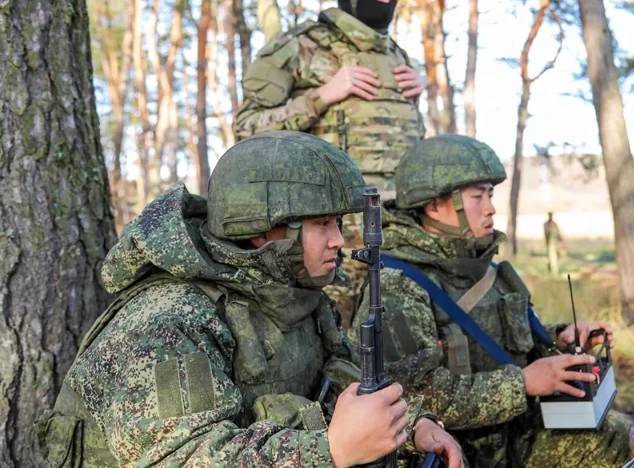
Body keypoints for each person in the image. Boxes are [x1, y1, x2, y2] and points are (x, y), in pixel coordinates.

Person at [35, 132, 462, 468]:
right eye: (322, 224)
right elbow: (181, 457)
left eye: (339, 223)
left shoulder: (292, 293)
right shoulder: (169, 322)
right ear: (263, 230)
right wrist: (331, 450)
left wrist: (412, 424)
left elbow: (339, 379)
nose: (338, 241)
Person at [353, 134, 634, 468]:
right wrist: (524, 383)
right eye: (477, 196)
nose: (491, 207)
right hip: (457, 452)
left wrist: (560, 338)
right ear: (434, 206)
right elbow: (412, 397)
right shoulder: (397, 286)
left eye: (490, 194)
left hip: (512, 437)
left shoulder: (485, 267)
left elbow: (500, 341)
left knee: (618, 432)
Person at [233, 0, 425, 327]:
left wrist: (417, 99)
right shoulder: (296, 47)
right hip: (326, 243)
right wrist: (323, 95)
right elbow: (246, 129)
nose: (387, 2)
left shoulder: (398, 57)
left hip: (399, 240)